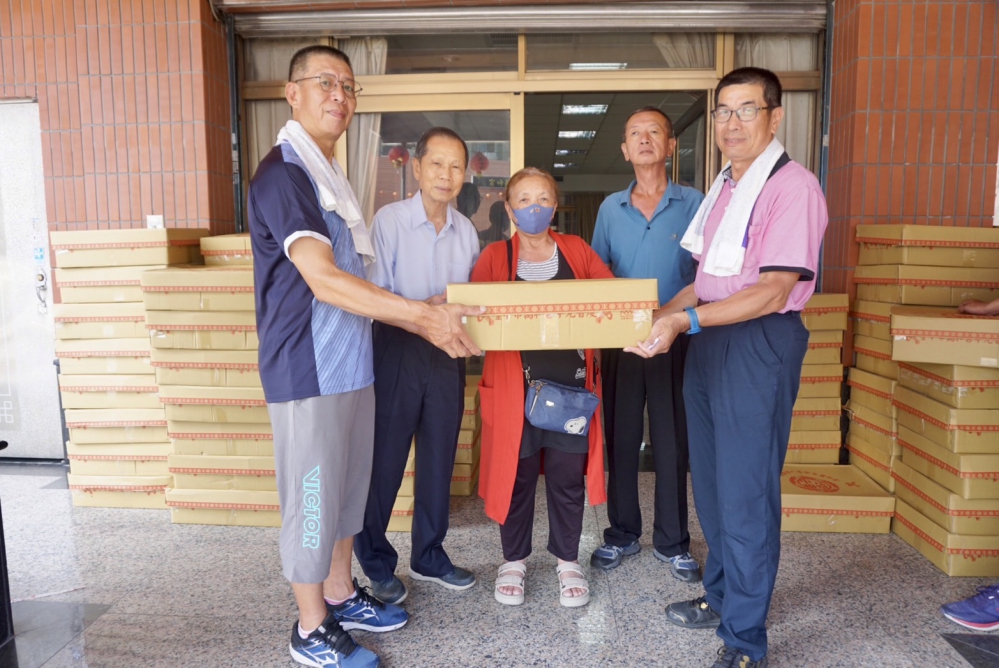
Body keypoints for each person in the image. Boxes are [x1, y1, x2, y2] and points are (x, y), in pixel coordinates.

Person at [247, 45, 481, 668]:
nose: (339, 96)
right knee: (314, 500)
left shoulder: (330, 175)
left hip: (352, 363)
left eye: (348, 87)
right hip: (309, 367)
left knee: (349, 493)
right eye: (325, 82)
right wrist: (423, 315)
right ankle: (310, 628)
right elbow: (324, 279)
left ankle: (341, 593)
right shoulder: (285, 174)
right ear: (292, 93)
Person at [626, 67, 828, 668]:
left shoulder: (792, 187)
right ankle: (720, 598)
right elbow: (706, 282)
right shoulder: (724, 188)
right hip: (711, 339)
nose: (731, 123)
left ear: (774, 116)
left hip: (756, 342)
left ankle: (745, 640)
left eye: (746, 110)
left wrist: (682, 323)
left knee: (745, 495)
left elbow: (772, 290)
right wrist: (657, 316)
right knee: (712, 486)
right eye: (723, 111)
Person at [471, 167, 614, 608]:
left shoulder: (577, 250)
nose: (534, 207)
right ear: (509, 208)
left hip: (570, 391)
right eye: (524, 199)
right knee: (516, 478)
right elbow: (475, 314)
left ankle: (568, 561)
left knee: (568, 478)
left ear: (554, 207)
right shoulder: (494, 256)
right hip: (515, 392)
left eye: (543, 199)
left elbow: (609, 297)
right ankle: (513, 561)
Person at [354, 127, 481, 604]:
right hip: (397, 349)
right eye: (437, 164)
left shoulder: (466, 231)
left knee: (438, 458)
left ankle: (429, 555)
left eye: (456, 166)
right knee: (385, 461)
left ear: (464, 175)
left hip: (447, 356)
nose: (446, 175)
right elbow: (376, 297)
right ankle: (375, 561)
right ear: (418, 167)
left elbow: (468, 300)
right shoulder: (389, 221)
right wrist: (424, 312)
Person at [589, 107, 704, 580]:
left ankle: (673, 540)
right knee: (621, 435)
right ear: (624, 149)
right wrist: (622, 322)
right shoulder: (610, 208)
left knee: (673, 438)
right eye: (635, 133)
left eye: (654, 131)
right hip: (622, 342)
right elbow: (598, 273)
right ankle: (621, 533)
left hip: (676, 338)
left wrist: (665, 318)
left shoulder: (694, 203)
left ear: (670, 145)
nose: (644, 138)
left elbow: (705, 276)